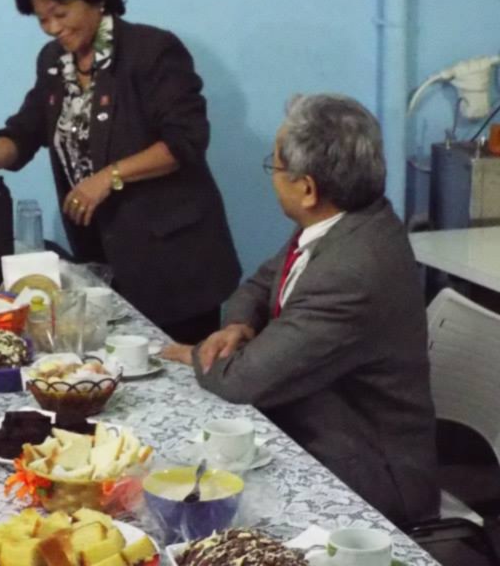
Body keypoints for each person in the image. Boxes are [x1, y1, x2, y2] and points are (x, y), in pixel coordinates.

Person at [0, 0, 240, 341]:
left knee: (176, 365)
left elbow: (185, 142)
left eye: (61, 14)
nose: (53, 28)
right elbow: (24, 132)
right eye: (42, 19)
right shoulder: (54, 62)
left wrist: (108, 177)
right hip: (104, 257)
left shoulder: (151, 52)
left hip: (174, 261)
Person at [163, 94, 439, 525]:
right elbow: (259, 285)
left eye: (274, 167)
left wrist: (199, 354)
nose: (272, 177)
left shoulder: (352, 268)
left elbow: (242, 381)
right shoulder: (342, 221)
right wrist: (238, 325)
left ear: (307, 189)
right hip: (315, 425)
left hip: (369, 477)